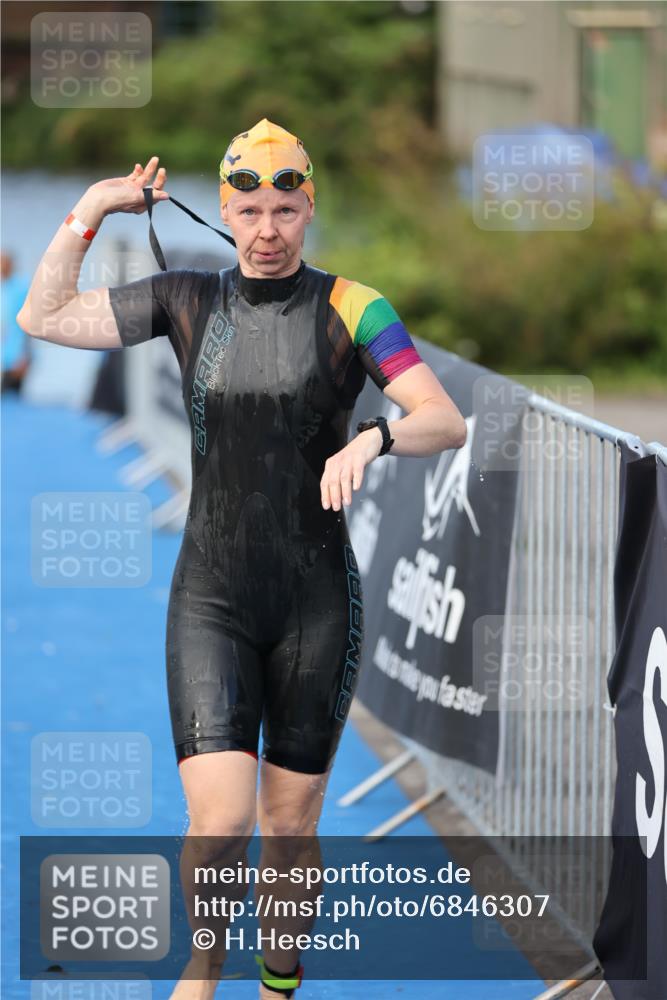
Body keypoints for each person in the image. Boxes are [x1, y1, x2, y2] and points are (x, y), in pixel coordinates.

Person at [16, 118, 467, 999]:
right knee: (220, 822)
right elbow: (43, 316)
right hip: (211, 597)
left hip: (314, 602)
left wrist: (372, 438)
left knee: (289, 827)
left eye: (285, 211)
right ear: (224, 210)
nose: (267, 230)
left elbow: (442, 419)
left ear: (308, 209)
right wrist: (95, 206)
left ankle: (278, 980)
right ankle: (206, 960)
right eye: (250, 211)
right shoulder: (187, 298)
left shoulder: (354, 308)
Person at [2, 251, 32, 393]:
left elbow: (28, 324)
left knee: (10, 396)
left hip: (16, 357)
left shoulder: (21, 288)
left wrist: (23, 357)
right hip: (5, 355)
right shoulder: (4, 288)